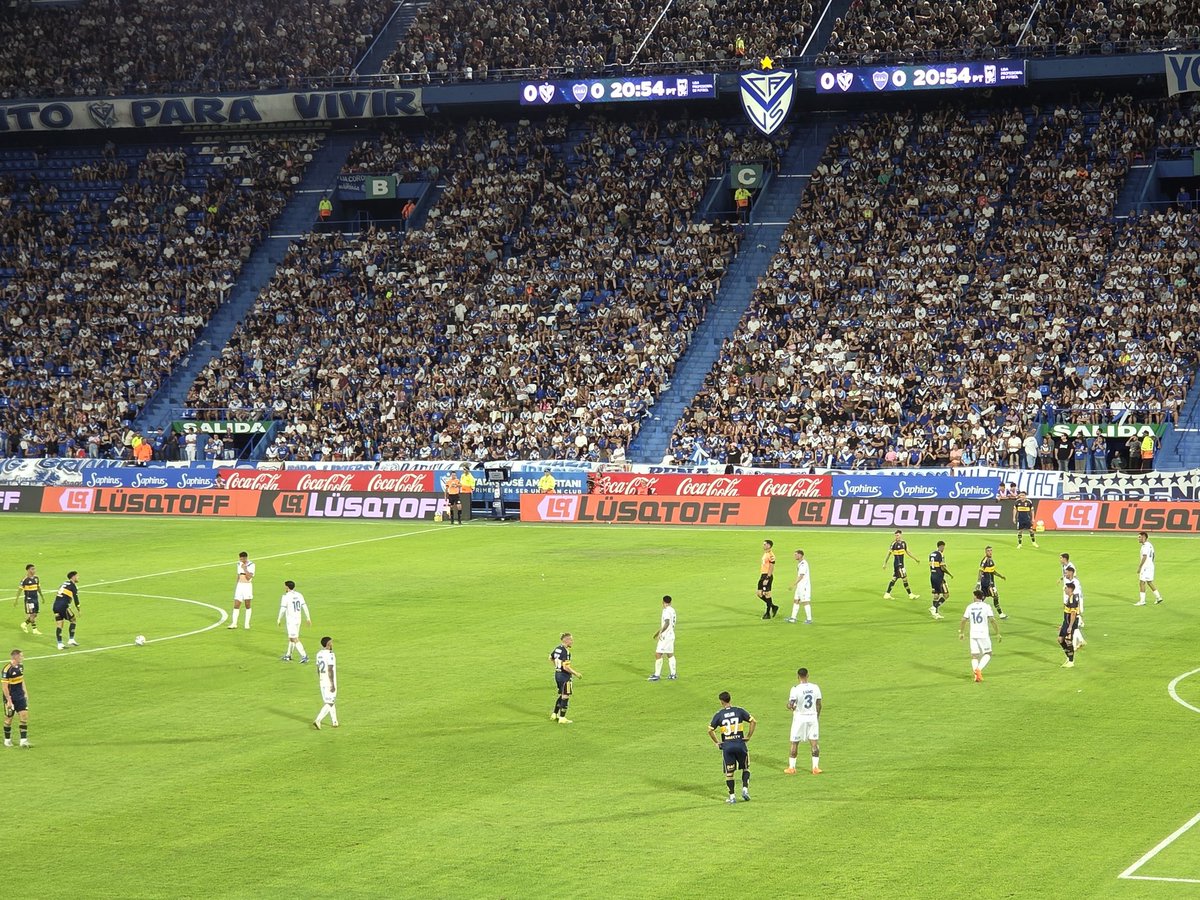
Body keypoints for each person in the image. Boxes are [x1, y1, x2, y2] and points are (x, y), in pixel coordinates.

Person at [708, 691, 756, 803]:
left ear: (721, 702)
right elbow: (753, 721)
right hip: (740, 744)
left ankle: (732, 797)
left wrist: (717, 742)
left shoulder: (719, 714)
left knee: (730, 773)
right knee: (745, 768)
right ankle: (745, 789)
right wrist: (748, 736)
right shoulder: (739, 711)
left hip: (727, 746)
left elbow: (710, 730)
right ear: (730, 699)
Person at [785, 668, 822, 775]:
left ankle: (792, 768)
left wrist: (789, 706)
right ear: (808, 675)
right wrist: (817, 716)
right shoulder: (815, 687)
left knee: (794, 742)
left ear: (798, 676)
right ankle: (815, 767)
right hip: (812, 717)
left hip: (800, 718)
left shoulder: (795, 689)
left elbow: (791, 704)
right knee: (814, 743)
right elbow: (819, 704)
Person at [959, 588, 1001, 682]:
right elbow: (992, 620)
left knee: (974, 656)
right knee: (988, 653)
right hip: (983, 633)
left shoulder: (970, 607)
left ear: (975, 596)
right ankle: (979, 670)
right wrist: (997, 633)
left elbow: (963, 620)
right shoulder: (986, 606)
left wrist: (961, 632)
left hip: (973, 634)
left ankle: (976, 676)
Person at [549, 632, 581, 724]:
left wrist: (557, 666)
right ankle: (562, 718)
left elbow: (550, 657)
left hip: (557, 675)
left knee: (561, 694)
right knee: (565, 696)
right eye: (571, 639)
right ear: (566, 640)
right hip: (564, 677)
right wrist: (576, 673)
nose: (572, 641)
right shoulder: (566, 652)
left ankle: (554, 714)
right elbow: (566, 667)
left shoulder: (557, 648)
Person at [277, 580, 312, 663]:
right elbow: (305, 606)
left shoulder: (285, 597)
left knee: (294, 638)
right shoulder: (299, 595)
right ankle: (288, 655)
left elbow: (282, 609)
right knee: (291, 638)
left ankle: (304, 656)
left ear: (287, 587)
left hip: (291, 620)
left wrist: (279, 619)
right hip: (298, 619)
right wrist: (308, 618)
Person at [1, 649, 29, 747]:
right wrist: (9, 700)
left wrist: (25, 692)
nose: (23, 657)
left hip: (20, 696)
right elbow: (4, 687)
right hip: (11, 698)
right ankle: (7, 740)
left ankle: (23, 741)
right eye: (21, 656)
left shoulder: (21, 666)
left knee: (24, 716)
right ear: (16, 657)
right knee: (9, 719)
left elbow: (22, 680)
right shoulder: (6, 669)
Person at [883, 529, 920, 600]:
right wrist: (885, 563)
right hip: (898, 565)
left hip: (901, 564)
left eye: (898, 535)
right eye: (896, 535)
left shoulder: (903, 543)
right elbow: (889, 554)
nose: (896, 537)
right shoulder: (893, 544)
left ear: (901, 535)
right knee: (904, 579)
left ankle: (887, 594)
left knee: (894, 578)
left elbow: (908, 552)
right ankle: (910, 594)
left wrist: (915, 559)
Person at [648, 595, 677, 681]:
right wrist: (657, 633)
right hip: (671, 635)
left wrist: (660, 632)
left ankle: (657, 675)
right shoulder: (672, 610)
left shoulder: (666, 611)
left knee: (658, 654)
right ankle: (673, 674)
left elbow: (667, 623)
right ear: (670, 602)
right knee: (670, 654)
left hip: (665, 636)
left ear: (663, 602)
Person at [312, 636, 338, 729]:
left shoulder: (319, 654)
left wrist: (321, 679)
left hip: (322, 680)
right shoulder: (330, 655)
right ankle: (318, 720)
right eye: (331, 642)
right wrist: (332, 684)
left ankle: (335, 721)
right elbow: (330, 669)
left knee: (330, 700)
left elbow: (318, 668)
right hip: (329, 681)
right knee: (330, 702)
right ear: (328, 644)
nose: (332, 644)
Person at [52, 571, 80, 650]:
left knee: (59, 624)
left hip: (55, 606)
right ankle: (71, 639)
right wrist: (78, 609)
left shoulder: (64, 584)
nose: (78, 578)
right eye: (77, 576)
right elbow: (76, 599)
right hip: (63, 606)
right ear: (73, 577)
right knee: (73, 620)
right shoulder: (73, 586)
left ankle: (60, 644)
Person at [977, 546, 1007, 619]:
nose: (990, 552)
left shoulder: (991, 560)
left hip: (989, 582)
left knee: (983, 597)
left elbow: (992, 571)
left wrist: (1000, 576)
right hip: (987, 583)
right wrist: (978, 582)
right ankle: (1000, 614)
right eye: (988, 551)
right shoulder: (985, 560)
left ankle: (976, 611)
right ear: (985, 552)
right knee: (995, 596)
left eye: (991, 550)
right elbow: (980, 571)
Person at [1134, 531, 1162, 606]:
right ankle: (1158, 597)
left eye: (1139, 537)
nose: (1138, 538)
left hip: (1145, 566)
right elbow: (1153, 555)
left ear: (1144, 537)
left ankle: (1142, 601)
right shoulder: (1150, 545)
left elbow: (1145, 556)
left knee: (1142, 582)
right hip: (1151, 565)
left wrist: (1140, 567)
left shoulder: (1145, 546)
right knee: (1149, 581)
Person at [1063, 563, 1087, 650]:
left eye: (1066, 573)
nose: (1065, 574)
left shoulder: (1075, 583)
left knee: (1073, 625)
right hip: (1071, 605)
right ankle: (1080, 641)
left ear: (1071, 573)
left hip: (1075, 605)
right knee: (1074, 626)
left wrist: (1078, 608)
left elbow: (1077, 596)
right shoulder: (1069, 581)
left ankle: (1073, 646)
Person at [228, 551, 255, 629]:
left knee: (247, 605)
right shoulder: (238, 564)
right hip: (240, 586)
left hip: (247, 586)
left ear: (246, 558)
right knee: (236, 605)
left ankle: (247, 624)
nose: (240, 560)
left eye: (242, 558)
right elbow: (238, 574)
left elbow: (249, 577)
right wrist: (237, 584)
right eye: (240, 558)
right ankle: (234, 623)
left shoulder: (251, 565)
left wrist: (245, 569)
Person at [928, 541, 953, 620]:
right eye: (943, 547)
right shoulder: (940, 554)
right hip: (939, 577)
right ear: (941, 546)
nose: (943, 548)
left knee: (936, 595)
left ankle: (935, 613)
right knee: (946, 595)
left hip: (932, 576)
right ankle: (934, 607)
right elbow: (942, 567)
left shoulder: (931, 554)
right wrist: (949, 574)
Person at [16, 563, 44, 634]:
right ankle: (35, 629)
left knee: (35, 614)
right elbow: (20, 590)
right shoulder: (24, 579)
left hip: (35, 599)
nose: (34, 570)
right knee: (32, 614)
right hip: (29, 599)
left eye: (34, 569)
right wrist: (16, 599)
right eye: (32, 569)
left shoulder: (36, 578)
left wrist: (42, 596)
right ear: (28, 570)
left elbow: (38, 588)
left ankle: (24, 624)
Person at [1058, 581, 1081, 668]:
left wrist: (1070, 626)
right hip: (1066, 623)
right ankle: (1068, 656)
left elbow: (1073, 614)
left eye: (1066, 588)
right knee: (1060, 639)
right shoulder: (1070, 597)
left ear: (1070, 589)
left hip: (1071, 623)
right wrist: (1063, 625)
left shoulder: (1073, 599)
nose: (1064, 590)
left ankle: (1071, 661)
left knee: (1068, 641)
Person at [786, 549, 811, 624]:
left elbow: (801, 576)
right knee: (796, 601)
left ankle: (809, 619)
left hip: (804, 586)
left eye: (796, 554)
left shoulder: (803, 564)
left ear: (800, 555)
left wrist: (793, 584)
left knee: (805, 602)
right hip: (799, 586)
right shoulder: (800, 563)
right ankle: (793, 618)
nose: (795, 556)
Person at [757, 539, 778, 619]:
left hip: (767, 576)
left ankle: (767, 613)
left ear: (769, 545)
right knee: (759, 593)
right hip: (762, 575)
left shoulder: (771, 555)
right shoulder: (765, 553)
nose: (763, 546)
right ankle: (773, 606)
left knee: (767, 594)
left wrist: (768, 578)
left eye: (765, 544)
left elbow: (772, 566)